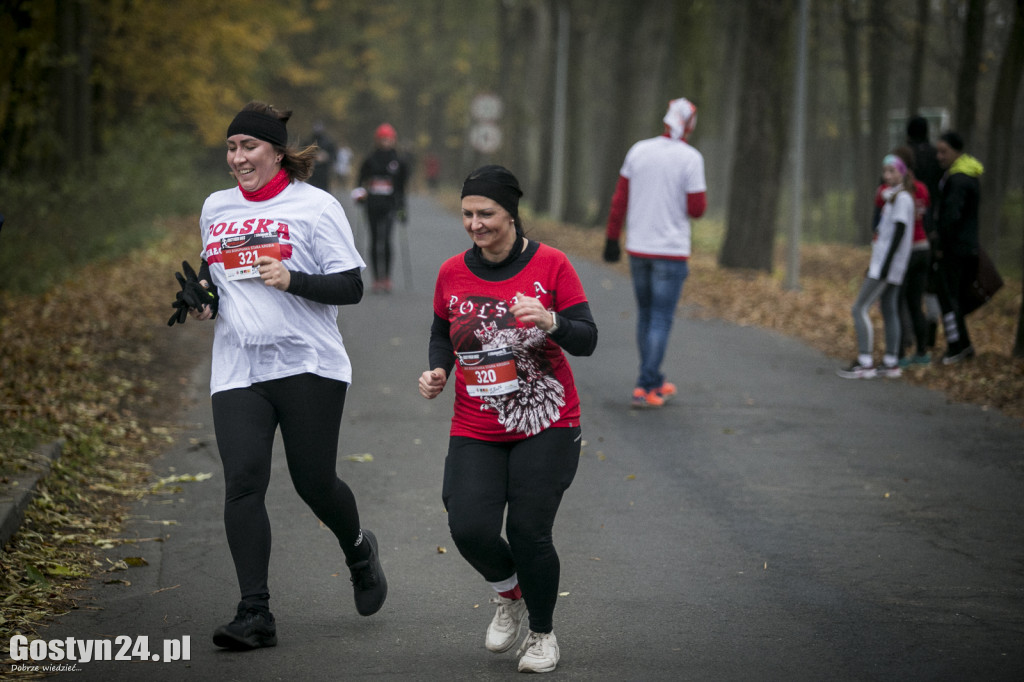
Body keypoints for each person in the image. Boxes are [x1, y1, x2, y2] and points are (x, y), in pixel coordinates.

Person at [170, 100, 387, 650]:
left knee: (313, 482)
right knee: (243, 482)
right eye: (231, 147)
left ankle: (359, 549)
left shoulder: (315, 207)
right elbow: (222, 285)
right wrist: (203, 301)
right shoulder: (216, 208)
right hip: (239, 365)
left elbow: (351, 286)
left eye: (248, 147)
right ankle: (254, 612)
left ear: (276, 152)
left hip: (307, 361)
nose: (237, 158)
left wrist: (294, 280)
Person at [417, 165, 597, 674]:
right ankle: (509, 593)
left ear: (511, 214)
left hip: (548, 421)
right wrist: (439, 369)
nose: (475, 224)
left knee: (527, 531)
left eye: (486, 214)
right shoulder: (453, 271)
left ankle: (542, 635)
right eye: (468, 214)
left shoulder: (552, 264)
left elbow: (587, 337)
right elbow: (440, 328)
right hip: (476, 423)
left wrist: (552, 321)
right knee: (468, 524)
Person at [603, 97, 707, 408]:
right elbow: (697, 208)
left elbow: (619, 198)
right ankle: (647, 385)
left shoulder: (638, 150)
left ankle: (651, 379)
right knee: (661, 318)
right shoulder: (691, 158)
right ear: (689, 125)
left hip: (639, 249)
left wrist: (611, 238)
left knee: (646, 316)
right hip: (671, 252)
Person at [838, 155, 916, 379]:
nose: (888, 175)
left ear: (902, 173)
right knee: (889, 309)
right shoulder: (894, 198)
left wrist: (884, 267)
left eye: (893, 171)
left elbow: (899, 235)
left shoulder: (902, 199)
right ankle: (891, 362)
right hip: (888, 265)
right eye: (885, 171)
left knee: (859, 308)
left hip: (887, 266)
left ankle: (865, 362)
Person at [932, 130, 984, 365]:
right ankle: (962, 345)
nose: (939, 156)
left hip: (954, 249)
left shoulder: (958, 179)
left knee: (949, 298)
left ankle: (957, 346)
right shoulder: (968, 175)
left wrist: (941, 244)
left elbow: (951, 216)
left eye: (944, 151)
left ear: (956, 151)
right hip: (965, 246)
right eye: (938, 151)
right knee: (954, 299)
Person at [883, 146, 932, 368]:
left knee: (898, 302)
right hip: (924, 248)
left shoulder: (897, 193)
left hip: (907, 251)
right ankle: (922, 352)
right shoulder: (921, 189)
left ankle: (900, 353)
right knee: (915, 303)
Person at [352, 123, 409, 293]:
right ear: (377, 140)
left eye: (388, 139)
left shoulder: (399, 161)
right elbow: (360, 181)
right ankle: (376, 278)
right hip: (372, 204)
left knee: (386, 240)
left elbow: (401, 187)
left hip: (390, 205)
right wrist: (360, 197)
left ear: (393, 140)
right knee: (375, 239)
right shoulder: (370, 159)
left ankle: (387, 278)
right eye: (382, 139)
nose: (385, 142)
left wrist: (402, 208)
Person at [307, 120, 337, 192]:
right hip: (312, 171)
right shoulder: (309, 141)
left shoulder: (328, 142)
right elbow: (302, 154)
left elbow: (334, 156)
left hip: (323, 172)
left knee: (323, 191)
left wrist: (326, 157)